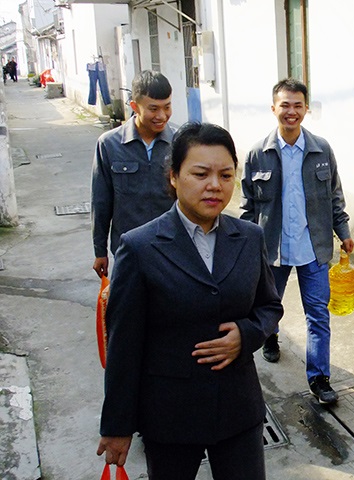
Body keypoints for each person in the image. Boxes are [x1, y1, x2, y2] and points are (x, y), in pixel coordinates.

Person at [96, 122, 283, 479]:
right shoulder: (139, 247)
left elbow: (269, 306)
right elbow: (123, 344)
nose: (215, 185)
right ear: (173, 176)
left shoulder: (249, 237)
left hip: (238, 411)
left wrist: (246, 335)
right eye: (200, 174)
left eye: (225, 175)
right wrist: (118, 425)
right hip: (170, 416)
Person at [240, 78, 354, 405]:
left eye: (297, 105)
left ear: (306, 109)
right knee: (269, 306)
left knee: (318, 314)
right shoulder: (257, 154)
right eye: (285, 105)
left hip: (313, 248)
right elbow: (248, 206)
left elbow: (334, 196)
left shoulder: (321, 150)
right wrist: (244, 246)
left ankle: (319, 378)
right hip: (272, 249)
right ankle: (271, 337)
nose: (291, 111)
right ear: (273, 108)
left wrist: (344, 232)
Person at [91, 70, 174, 279]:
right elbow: (101, 201)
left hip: (172, 250)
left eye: (167, 107)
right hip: (128, 251)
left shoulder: (180, 143)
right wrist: (100, 250)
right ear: (134, 106)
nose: (162, 116)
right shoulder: (109, 145)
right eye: (153, 109)